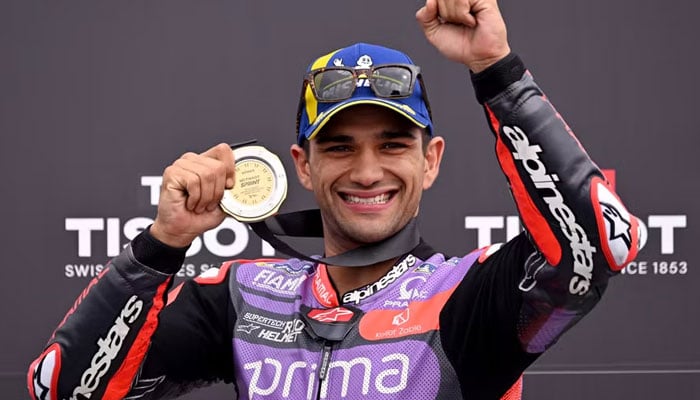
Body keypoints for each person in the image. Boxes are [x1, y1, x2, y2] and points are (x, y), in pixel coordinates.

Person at [28, 0, 641, 398]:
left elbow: (598, 243)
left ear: (430, 161)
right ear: (303, 166)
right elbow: (62, 391)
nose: (368, 171)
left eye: (394, 144)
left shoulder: (467, 297)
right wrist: (160, 248)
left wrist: (497, 71)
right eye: (341, 146)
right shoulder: (244, 296)